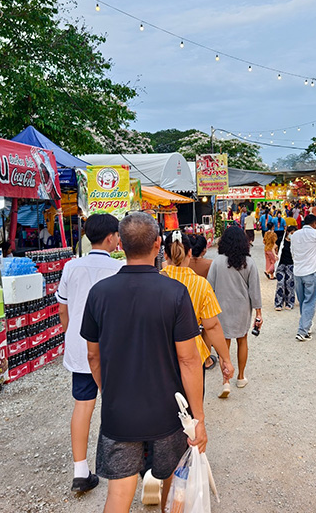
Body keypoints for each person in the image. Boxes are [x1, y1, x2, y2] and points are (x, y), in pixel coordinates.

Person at [81, 212, 206, 512]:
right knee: (171, 486)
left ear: (120, 243)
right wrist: (198, 420)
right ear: (158, 245)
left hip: (119, 413)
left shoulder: (99, 294)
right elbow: (189, 360)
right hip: (168, 413)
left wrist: (108, 391)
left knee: (119, 495)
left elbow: (92, 355)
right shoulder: (175, 293)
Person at [56, 214, 123, 493]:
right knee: (119, 404)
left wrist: (71, 335)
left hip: (80, 348)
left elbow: (63, 309)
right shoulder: (119, 268)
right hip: (113, 348)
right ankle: (124, 467)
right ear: (110, 237)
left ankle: (80, 470)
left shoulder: (71, 267)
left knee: (83, 405)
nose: (119, 239)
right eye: (117, 234)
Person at [162, 230, 235, 390]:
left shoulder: (155, 281)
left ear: (165, 255)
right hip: (192, 353)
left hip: (161, 354)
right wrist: (226, 359)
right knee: (191, 406)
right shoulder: (201, 285)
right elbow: (212, 326)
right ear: (189, 252)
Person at [207, 226, 262, 397]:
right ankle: (240, 376)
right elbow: (254, 290)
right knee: (242, 340)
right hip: (242, 307)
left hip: (221, 306)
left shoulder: (217, 262)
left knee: (224, 344)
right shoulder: (249, 262)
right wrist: (258, 313)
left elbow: (209, 287)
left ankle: (225, 382)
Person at [290, 214, 316, 341]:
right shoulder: (315, 234)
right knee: (310, 302)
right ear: (315, 223)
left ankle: (306, 327)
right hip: (311, 271)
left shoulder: (295, 234)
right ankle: (302, 331)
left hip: (298, 272)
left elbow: (293, 252)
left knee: (303, 302)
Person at [274, 225, 297, 311]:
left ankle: (289, 303)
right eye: (291, 233)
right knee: (280, 283)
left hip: (291, 265)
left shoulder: (296, 242)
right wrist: (275, 255)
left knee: (290, 285)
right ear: (287, 232)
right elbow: (274, 247)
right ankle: (278, 303)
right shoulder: (281, 240)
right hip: (281, 264)